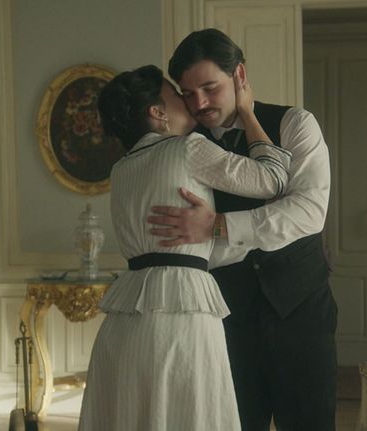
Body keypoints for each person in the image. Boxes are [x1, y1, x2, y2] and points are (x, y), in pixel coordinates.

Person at [77, 64, 291, 431]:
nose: (188, 101)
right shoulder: (188, 147)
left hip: (126, 318)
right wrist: (247, 111)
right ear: (157, 112)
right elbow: (272, 179)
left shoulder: (121, 170)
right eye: (176, 94)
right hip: (180, 310)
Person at [147, 29, 337, 430]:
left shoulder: (295, 123)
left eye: (209, 88)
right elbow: (186, 237)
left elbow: (308, 212)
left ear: (239, 76)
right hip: (224, 318)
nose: (199, 103)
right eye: (188, 93)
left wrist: (217, 225)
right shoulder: (182, 146)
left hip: (301, 310)